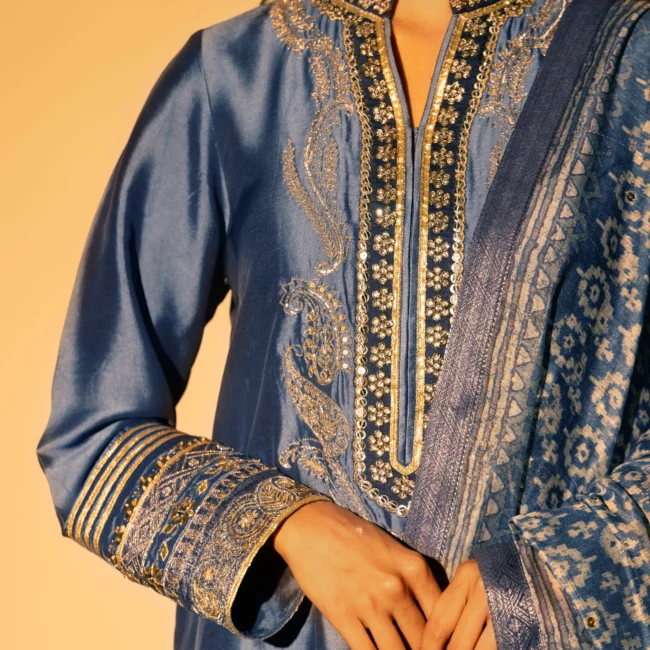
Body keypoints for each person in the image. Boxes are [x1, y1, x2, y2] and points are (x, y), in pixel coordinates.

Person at [36, 0, 650, 647]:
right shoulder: (239, 73)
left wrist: (557, 579)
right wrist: (287, 525)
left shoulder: (627, 54)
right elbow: (92, 436)